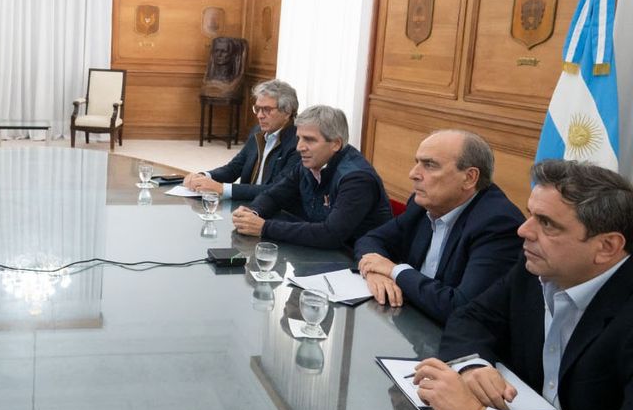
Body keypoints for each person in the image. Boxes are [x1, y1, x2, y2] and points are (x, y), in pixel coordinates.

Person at [414, 160, 633, 410]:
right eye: (531, 214)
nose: (523, 231)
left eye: (546, 223)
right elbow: (472, 317)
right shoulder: (537, 268)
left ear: (606, 247)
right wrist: (473, 366)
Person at [354, 130, 524, 323]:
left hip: (453, 336)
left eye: (429, 165)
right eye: (417, 162)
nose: (413, 174)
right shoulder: (422, 205)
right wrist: (375, 273)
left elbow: (462, 308)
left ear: (469, 178)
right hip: (411, 321)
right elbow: (372, 239)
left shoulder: (498, 224)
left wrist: (395, 271)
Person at [230, 104, 391, 249]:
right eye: (299, 138)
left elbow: (331, 234)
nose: (299, 147)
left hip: (356, 260)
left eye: (309, 140)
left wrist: (264, 227)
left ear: (336, 144)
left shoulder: (357, 179)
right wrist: (253, 213)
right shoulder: (308, 164)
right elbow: (273, 195)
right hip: (318, 252)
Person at [183, 79, 300, 201]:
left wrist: (222, 188)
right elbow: (234, 168)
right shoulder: (257, 131)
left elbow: (277, 190)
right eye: (257, 109)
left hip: (273, 209)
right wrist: (204, 176)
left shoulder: (298, 143)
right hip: (246, 204)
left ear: (287, 112)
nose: (260, 115)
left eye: (267, 110)